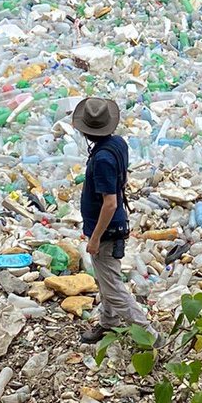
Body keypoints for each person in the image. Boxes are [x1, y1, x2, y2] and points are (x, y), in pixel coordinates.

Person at [71, 96, 155, 345]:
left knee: (113, 289)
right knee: (106, 278)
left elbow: (110, 203)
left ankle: (149, 335)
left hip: (107, 231)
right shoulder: (117, 144)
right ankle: (108, 323)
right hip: (115, 225)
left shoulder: (102, 159)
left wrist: (95, 238)